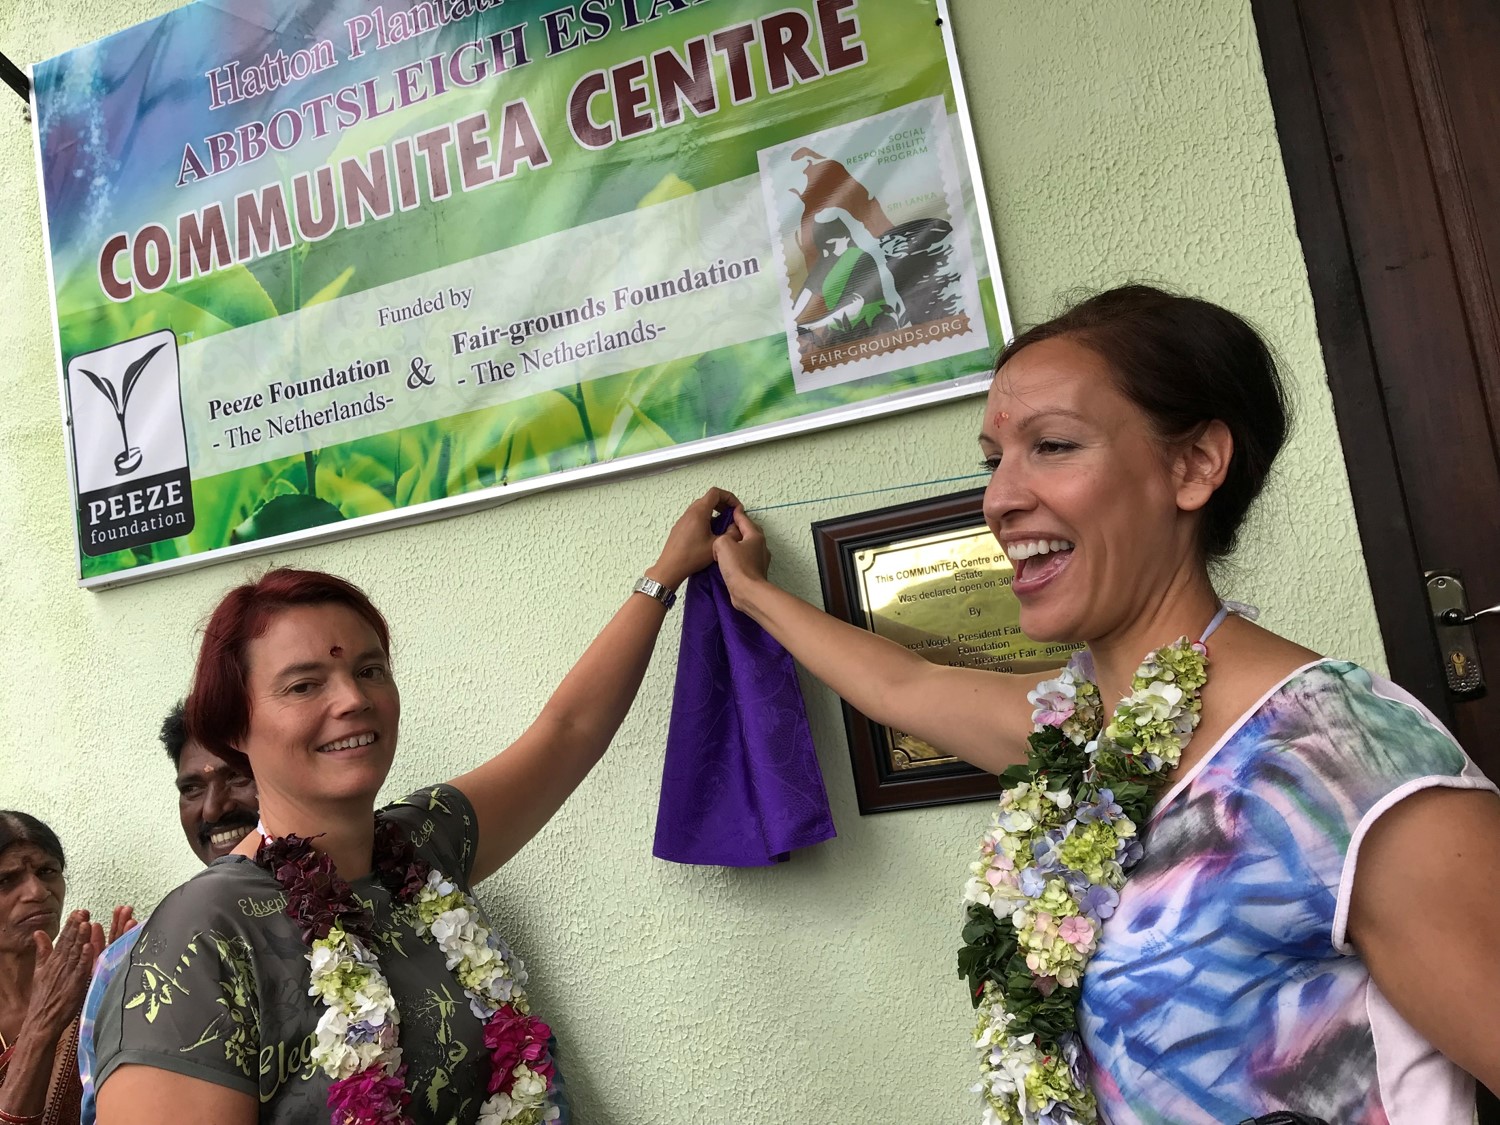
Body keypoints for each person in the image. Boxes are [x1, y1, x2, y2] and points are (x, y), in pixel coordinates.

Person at [709, 286, 1500, 1123]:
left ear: (1193, 466)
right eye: (993, 459)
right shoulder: (1081, 735)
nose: (1000, 498)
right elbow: (903, 686)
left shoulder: (1344, 766)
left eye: (1051, 445)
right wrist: (749, 591)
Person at [93, 488, 734, 1125]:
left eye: (371, 670)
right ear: (234, 728)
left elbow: (566, 734)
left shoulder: (423, 846)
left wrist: (664, 576)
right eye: (304, 684)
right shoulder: (205, 931)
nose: (352, 699)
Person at [76, 703, 261, 1124]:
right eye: (192, 788)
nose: (213, 809)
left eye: (237, 775)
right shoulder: (126, 962)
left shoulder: (361, 911)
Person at [0, 812, 116, 1125]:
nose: (37, 893)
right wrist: (45, 1020)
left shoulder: (93, 984)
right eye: (5, 881)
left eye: (47, 871)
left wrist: (115, 1004)